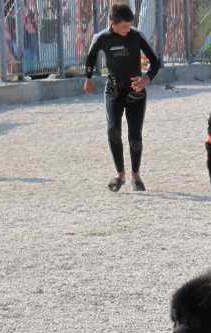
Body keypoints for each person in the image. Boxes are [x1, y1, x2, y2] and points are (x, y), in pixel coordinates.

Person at [83, 3, 161, 192]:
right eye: (124, 26)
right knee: (113, 131)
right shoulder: (101, 38)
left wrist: (146, 78)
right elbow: (91, 57)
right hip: (114, 91)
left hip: (135, 90)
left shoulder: (136, 35)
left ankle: (136, 176)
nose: (129, 29)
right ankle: (120, 175)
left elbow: (155, 62)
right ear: (113, 23)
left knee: (135, 136)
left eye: (130, 25)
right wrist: (88, 78)